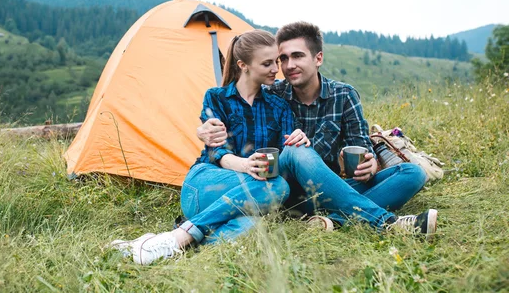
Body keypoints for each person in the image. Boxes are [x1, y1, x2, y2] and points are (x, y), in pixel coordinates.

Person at [197, 21, 437, 237]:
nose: (288, 65)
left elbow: (361, 143)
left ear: (318, 58)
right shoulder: (273, 94)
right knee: (296, 152)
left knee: (412, 173)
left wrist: (370, 162)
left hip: (333, 186)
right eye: (283, 58)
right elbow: (237, 106)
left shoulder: (344, 95)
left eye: (298, 56)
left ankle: (332, 220)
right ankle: (388, 224)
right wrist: (202, 131)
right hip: (290, 192)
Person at [111, 29, 317, 265]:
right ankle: (180, 236)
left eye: (276, 62)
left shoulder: (279, 106)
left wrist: (299, 140)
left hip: (251, 195)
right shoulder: (216, 98)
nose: (276, 69)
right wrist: (245, 165)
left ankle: (161, 243)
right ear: (243, 65)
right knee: (276, 186)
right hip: (206, 184)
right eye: (267, 63)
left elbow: (287, 153)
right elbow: (215, 151)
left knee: (254, 224)